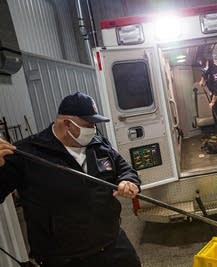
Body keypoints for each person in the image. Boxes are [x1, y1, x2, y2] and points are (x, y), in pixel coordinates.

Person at [0, 92, 142, 267]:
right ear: (67, 123)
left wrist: (128, 180)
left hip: (112, 244)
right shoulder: (27, 153)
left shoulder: (99, 144)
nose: (93, 129)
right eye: (88, 124)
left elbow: (124, 168)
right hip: (65, 258)